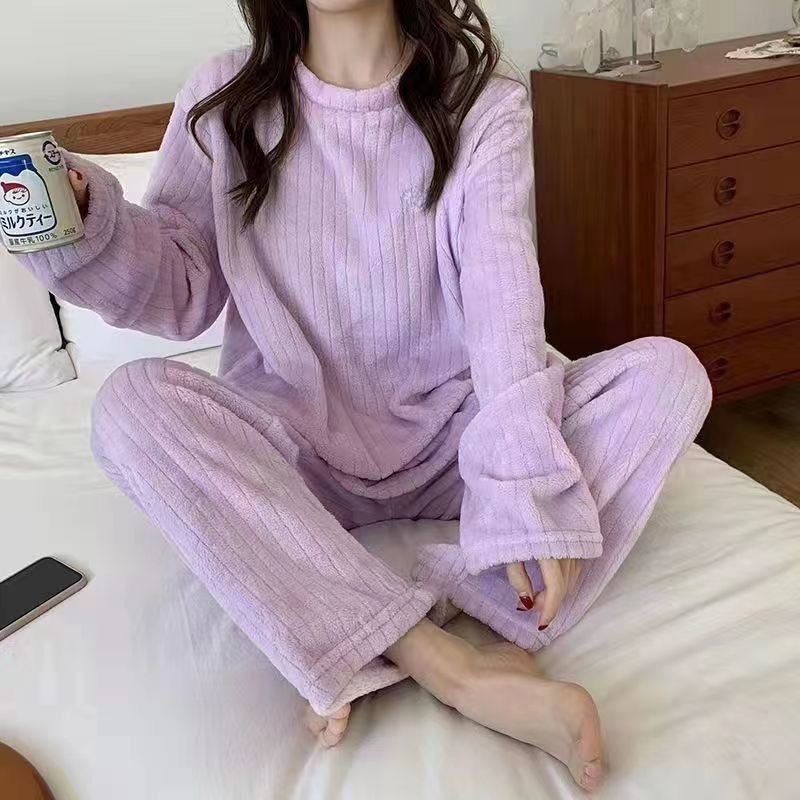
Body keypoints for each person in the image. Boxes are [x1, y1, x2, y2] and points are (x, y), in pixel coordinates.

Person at [17, 0, 712, 791]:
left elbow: (504, 308)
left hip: (456, 446)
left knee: (668, 376)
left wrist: (522, 491)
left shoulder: (482, 101)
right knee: (130, 407)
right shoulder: (223, 98)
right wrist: (87, 219)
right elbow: (181, 295)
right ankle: (442, 659)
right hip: (293, 463)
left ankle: (410, 612)